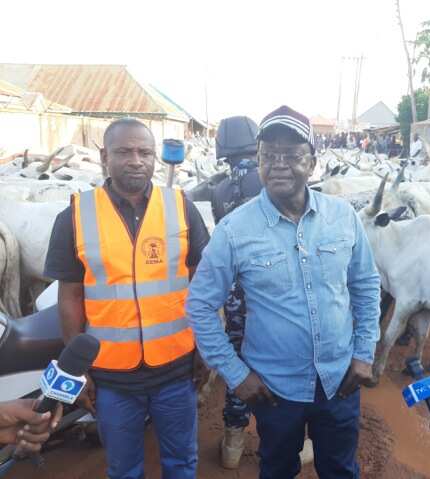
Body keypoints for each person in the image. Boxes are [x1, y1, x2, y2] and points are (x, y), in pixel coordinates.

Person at [187, 105, 381, 479]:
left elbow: (366, 285)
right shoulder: (234, 230)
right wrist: (235, 374)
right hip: (275, 391)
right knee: (277, 470)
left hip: (340, 381)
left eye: (291, 155)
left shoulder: (342, 217)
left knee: (341, 470)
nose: (278, 164)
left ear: (312, 162)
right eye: (268, 155)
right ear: (257, 161)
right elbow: (199, 306)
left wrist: (364, 353)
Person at [44, 118, 210, 479]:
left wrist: (206, 349)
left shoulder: (182, 208)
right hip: (112, 378)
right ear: (105, 157)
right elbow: (71, 297)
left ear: (154, 158)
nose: (136, 160)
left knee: (182, 462)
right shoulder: (74, 216)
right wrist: (79, 369)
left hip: (176, 371)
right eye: (124, 152)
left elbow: (203, 285)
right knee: (123, 469)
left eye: (144, 152)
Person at [209, 116, 262, 469]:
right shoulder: (273, 180)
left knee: (238, 360)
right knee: (286, 360)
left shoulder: (218, 190)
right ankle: (290, 439)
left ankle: (233, 442)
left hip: (236, 294)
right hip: (274, 293)